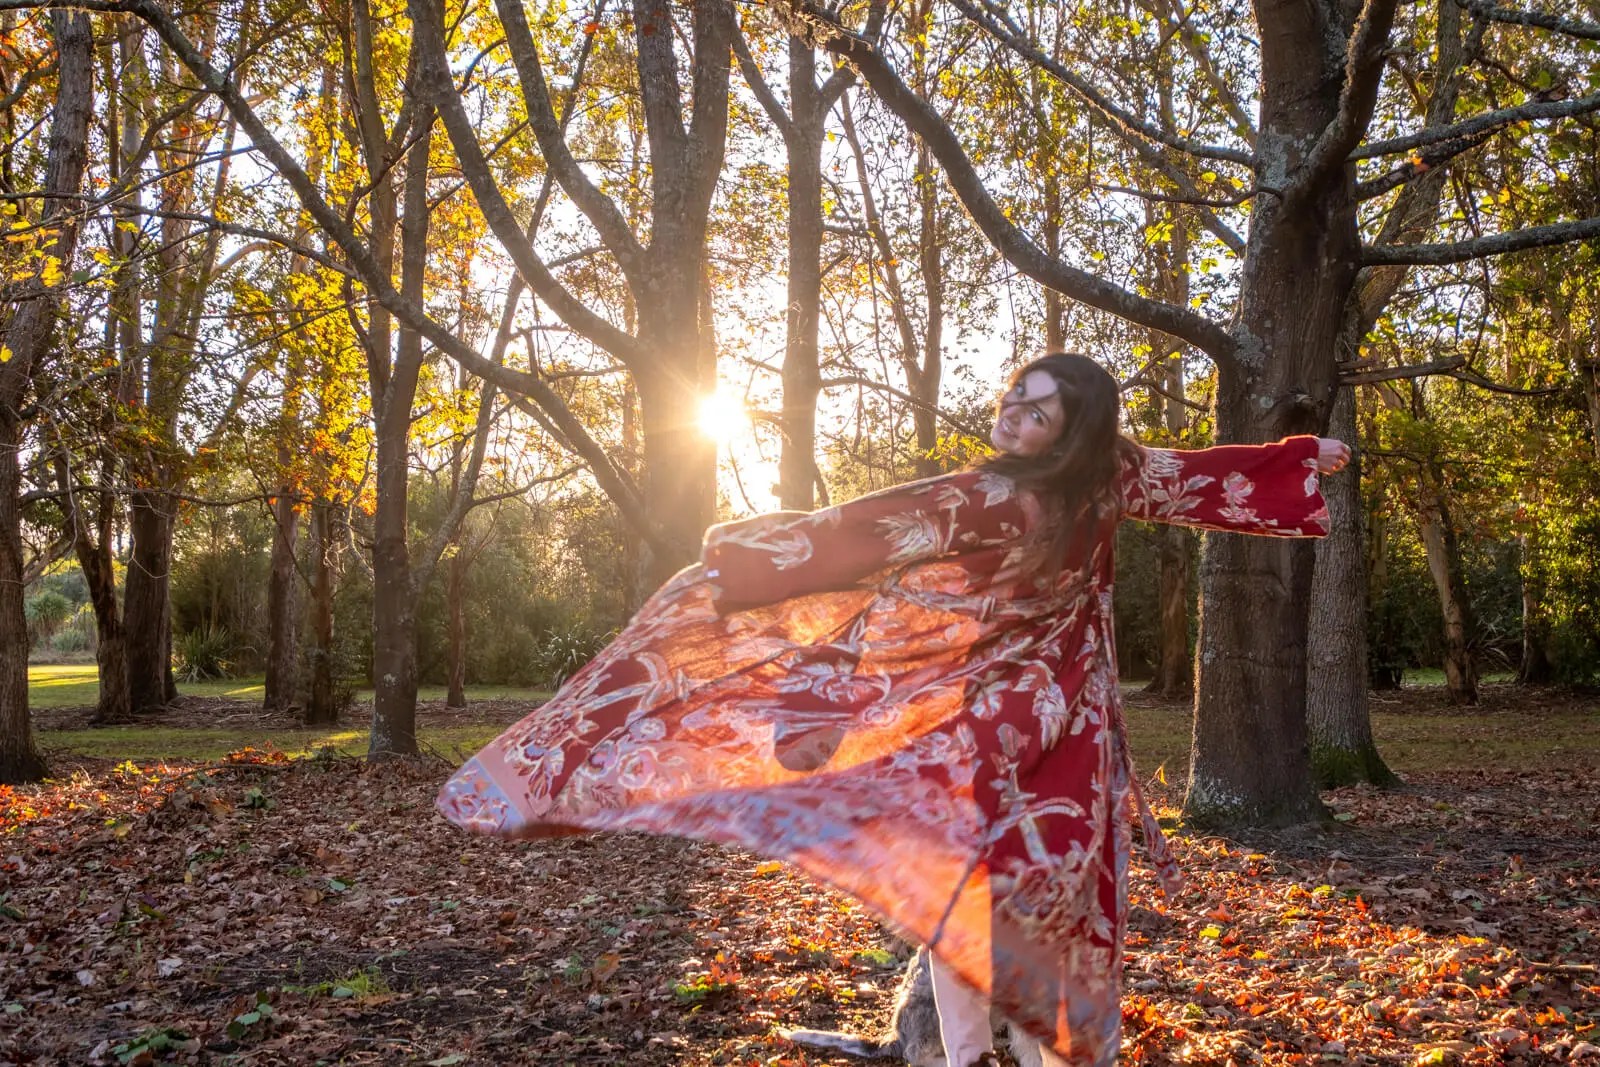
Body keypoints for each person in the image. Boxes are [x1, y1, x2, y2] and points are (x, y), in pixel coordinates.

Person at [437, 352, 1349, 1066]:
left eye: (1038, 409)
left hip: (1072, 722)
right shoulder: (987, 494)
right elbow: (867, 527)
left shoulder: (1112, 478)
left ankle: (1040, 1047)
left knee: (1058, 890)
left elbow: (1203, 479)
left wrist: (1302, 463)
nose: (1013, 414)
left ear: (1077, 431)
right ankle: (965, 1055)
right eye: (1012, 398)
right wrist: (745, 556)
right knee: (968, 895)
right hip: (988, 722)